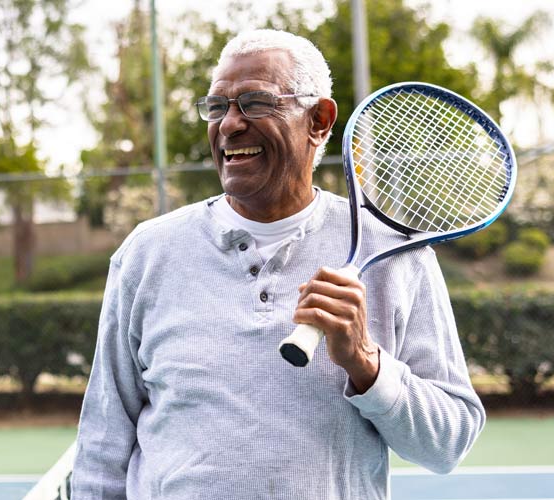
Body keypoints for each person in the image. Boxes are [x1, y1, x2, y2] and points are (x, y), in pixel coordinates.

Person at [70, 29, 485, 499]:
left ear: (319, 121)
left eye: (254, 103)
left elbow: (449, 442)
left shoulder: (397, 257)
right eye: (218, 106)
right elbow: (103, 444)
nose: (229, 124)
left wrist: (365, 363)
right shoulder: (147, 253)